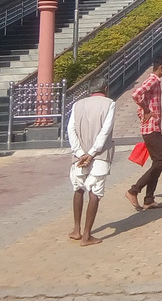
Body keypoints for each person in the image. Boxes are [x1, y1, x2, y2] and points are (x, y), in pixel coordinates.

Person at [67, 77, 116, 246]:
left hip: (79, 156)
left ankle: (76, 229)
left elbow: (70, 129)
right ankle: (87, 235)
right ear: (106, 89)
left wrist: (80, 152)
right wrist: (92, 153)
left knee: (78, 188)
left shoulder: (77, 105)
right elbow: (105, 131)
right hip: (100, 155)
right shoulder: (109, 104)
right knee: (95, 192)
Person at [126, 55, 162, 210]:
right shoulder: (153, 80)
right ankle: (134, 190)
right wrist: (145, 109)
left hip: (153, 127)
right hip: (151, 128)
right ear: (161, 68)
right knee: (161, 162)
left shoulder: (155, 81)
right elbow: (136, 94)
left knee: (157, 163)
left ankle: (149, 198)